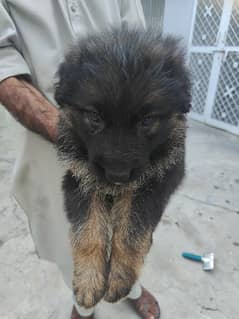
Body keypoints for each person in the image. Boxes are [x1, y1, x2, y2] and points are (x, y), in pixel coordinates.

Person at [0, 1, 160, 318]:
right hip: (51, 143)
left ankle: (130, 288)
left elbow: (141, 42)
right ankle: (83, 305)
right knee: (70, 239)